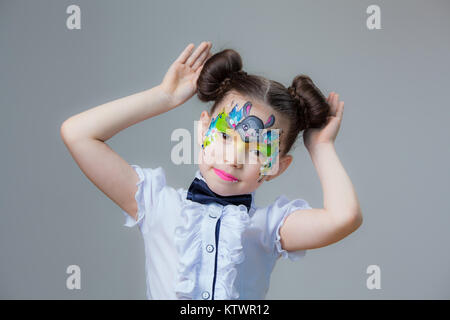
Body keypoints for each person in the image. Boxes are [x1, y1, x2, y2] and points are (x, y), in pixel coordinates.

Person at [60, 41, 363, 300]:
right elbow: (77, 134)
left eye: (258, 150)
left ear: (277, 167)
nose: (234, 159)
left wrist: (321, 147)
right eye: (225, 136)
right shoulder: (155, 203)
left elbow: (344, 217)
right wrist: (163, 97)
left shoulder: (269, 228)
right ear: (203, 127)